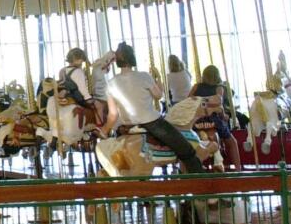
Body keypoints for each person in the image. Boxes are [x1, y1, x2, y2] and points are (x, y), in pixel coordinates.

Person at [99, 42, 205, 173]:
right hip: (152, 123)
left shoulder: (111, 83)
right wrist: (158, 80)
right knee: (187, 149)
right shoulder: (144, 76)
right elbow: (158, 95)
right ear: (132, 58)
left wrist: (103, 131)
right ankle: (201, 181)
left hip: (127, 126)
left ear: (117, 61)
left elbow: (113, 115)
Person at [190, 65, 242, 170]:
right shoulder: (219, 88)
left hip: (197, 121)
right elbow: (219, 105)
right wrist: (224, 116)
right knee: (232, 142)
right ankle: (238, 168)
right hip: (213, 120)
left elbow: (188, 101)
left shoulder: (196, 87)